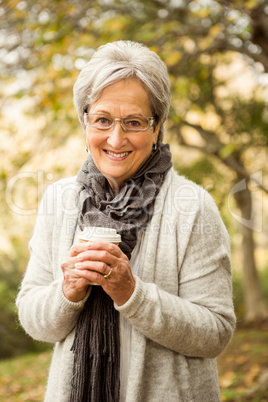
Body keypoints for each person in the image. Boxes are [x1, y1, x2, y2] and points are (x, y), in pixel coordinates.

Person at [16, 40, 236, 402]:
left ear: (157, 127)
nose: (116, 139)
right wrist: (67, 290)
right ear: (84, 120)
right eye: (102, 120)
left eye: (133, 122)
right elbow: (33, 317)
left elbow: (216, 333)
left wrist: (131, 293)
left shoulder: (192, 206)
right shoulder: (59, 200)